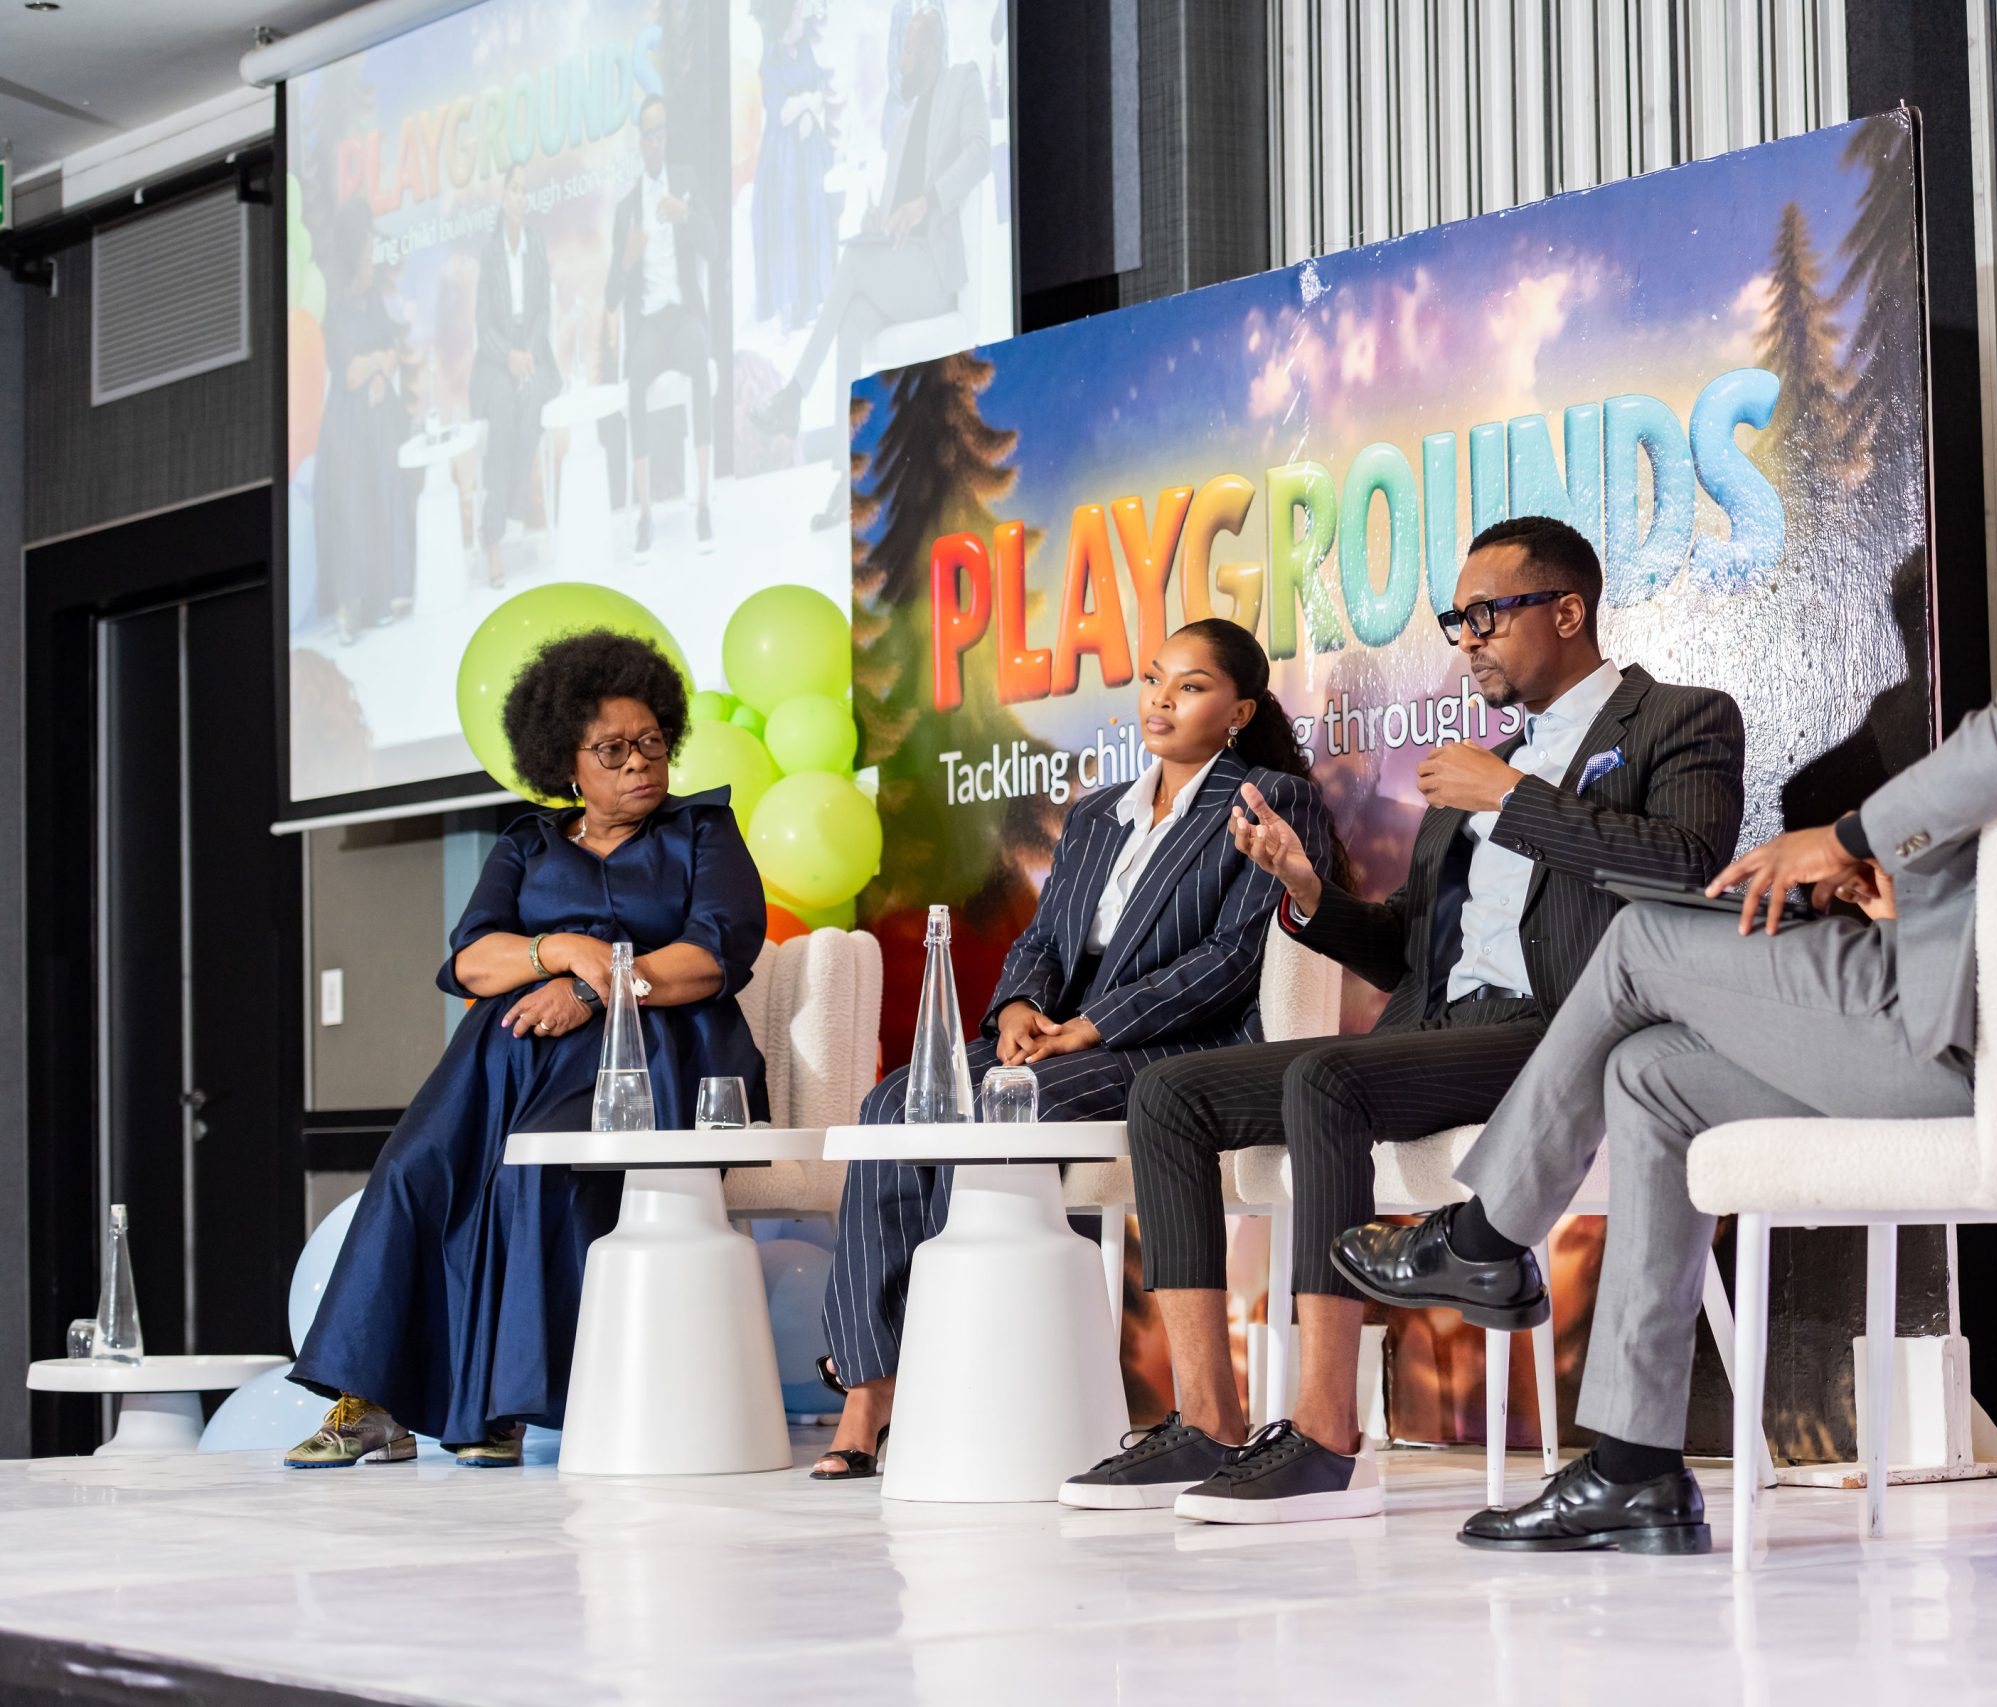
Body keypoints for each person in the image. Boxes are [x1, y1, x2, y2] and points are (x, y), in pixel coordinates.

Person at [1333, 369, 1997, 1553]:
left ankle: (1483, 1239)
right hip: (1989, 1013)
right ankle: (1631, 1467)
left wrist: (1844, 838)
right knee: (1648, 1076)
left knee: (1640, 939)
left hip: (1970, 1038)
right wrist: (1897, 879)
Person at [1068, 515, 1747, 1524]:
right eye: (1456, 620)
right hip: (1445, 1031)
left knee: (1327, 1078)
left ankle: (1325, 1435)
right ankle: (1207, 1419)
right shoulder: (1476, 769)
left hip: (1568, 1034)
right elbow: (1412, 953)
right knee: (1168, 1096)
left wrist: (1511, 797)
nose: (1467, 639)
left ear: (1567, 613)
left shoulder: (1677, 720)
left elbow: (1687, 868)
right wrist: (1310, 893)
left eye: (1488, 615)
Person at [809, 617, 1336, 1481]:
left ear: (1239, 711)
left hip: (1176, 1042)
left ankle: (953, 1370)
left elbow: (1233, 959)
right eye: (1154, 678)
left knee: (1008, 1103)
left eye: (1191, 686)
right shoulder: (1098, 812)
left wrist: (1094, 1025)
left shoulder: (1269, 799)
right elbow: (1045, 939)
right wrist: (1018, 1007)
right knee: (894, 1101)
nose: (1161, 699)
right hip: (1060, 1033)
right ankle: (872, 1387)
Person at [286, 632, 770, 1469]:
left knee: (536, 1165)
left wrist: (594, 987)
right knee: (413, 1168)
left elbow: (713, 955)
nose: (638, 762)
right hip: (509, 1052)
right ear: (566, 763)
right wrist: (560, 950)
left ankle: (501, 1406)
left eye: (651, 742)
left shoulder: (703, 830)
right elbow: (474, 960)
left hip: (652, 1052)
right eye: (612, 749)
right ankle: (373, 1403)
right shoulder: (527, 844)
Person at [750, 2, 990, 530]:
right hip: (900, 264)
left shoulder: (962, 82)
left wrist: (928, 201)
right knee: (853, 320)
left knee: (853, 268)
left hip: (933, 270)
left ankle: (794, 395)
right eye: (902, 46)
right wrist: (878, 218)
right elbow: (891, 210)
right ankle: (850, 479)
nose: (902, 56)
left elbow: (979, 154)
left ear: (930, 47)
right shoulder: (901, 126)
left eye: (909, 46)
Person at [606, 94, 715, 558]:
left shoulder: (685, 182)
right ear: (640, 142)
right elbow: (610, 296)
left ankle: (704, 504)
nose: (656, 141)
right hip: (649, 325)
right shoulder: (627, 209)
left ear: (667, 134)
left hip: (682, 315)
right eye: (648, 134)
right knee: (635, 380)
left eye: (661, 131)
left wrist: (687, 216)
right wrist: (627, 260)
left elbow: (714, 247)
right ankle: (645, 516)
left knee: (700, 356)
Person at [312, 198, 418, 642]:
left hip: (376, 415)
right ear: (355, 251)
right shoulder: (336, 306)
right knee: (353, 497)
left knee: (388, 482)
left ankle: (383, 596)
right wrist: (375, 367)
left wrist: (378, 369)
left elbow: (391, 352)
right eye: (369, 246)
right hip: (347, 425)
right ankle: (349, 608)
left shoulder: (373, 297)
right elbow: (349, 372)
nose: (374, 254)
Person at [471, 163, 561, 590]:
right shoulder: (490, 254)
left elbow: (542, 309)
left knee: (534, 402)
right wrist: (509, 357)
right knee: (505, 410)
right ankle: (493, 538)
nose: (521, 198)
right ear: (503, 197)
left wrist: (528, 355)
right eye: (515, 190)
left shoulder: (536, 243)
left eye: (526, 191)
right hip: (495, 364)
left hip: (534, 355)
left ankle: (508, 509)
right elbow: (482, 323)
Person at [750, 0, 838, 331]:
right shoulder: (771, 59)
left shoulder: (806, 49)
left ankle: (811, 303)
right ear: (785, 19)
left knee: (811, 216)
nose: (802, 17)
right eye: (797, 13)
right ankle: (785, 309)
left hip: (808, 150)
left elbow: (819, 92)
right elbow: (780, 112)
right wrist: (804, 105)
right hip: (783, 158)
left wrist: (807, 111)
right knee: (786, 220)